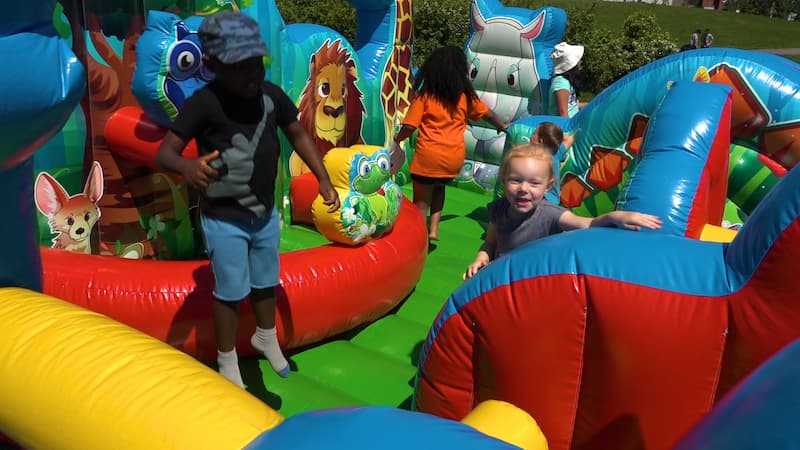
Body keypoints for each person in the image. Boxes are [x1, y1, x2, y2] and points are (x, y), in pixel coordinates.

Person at [155, 11, 340, 388]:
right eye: (240, 67)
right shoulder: (205, 104)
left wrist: (323, 178)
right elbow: (165, 153)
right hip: (224, 217)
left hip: (263, 214)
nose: (252, 74)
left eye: (256, 63)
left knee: (265, 281)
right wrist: (188, 169)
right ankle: (227, 360)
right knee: (229, 292)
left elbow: (298, 135)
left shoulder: (269, 96)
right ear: (213, 66)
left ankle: (266, 336)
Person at [465, 144, 661, 279]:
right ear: (504, 180)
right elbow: (490, 242)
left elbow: (588, 224)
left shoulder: (551, 214)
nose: (524, 188)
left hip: (532, 283)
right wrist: (481, 258)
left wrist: (615, 216)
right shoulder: (499, 209)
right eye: (516, 180)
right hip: (499, 280)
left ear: (547, 187)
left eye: (534, 183)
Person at [391, 46, 507, 241]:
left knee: (420, 201)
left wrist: (397, 139)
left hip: (429, 156)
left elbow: (410, 126)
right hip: (453, 157)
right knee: (439, 188)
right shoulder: (464, 97)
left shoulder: (426, 96)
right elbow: (488, 114)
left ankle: (416, 238)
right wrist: (502, 126)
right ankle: (434, 229)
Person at [548, 42, 584, 118]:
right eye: (578, 60)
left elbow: (571, 105)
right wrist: (569, 129)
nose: (581, 62)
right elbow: (563, 113)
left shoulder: (566, 81)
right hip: (565, 125)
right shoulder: (561, 83)